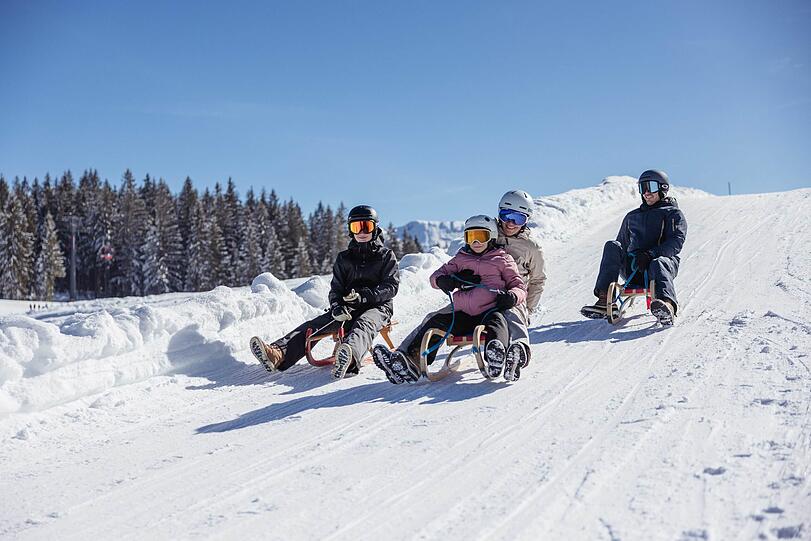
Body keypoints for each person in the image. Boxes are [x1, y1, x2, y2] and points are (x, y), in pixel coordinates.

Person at [372, 215, 527, 384]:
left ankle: (496, 355)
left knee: (499, 322)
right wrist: (447, 280)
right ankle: (410, 359)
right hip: (462, 315)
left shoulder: (502, 259)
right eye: (471, 237)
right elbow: (435, 277)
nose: (475, 242)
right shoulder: (460, 259)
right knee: (436, 321)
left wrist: (512, 297)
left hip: (489, 310)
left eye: (480, 236)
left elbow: (518, 286)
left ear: (491, 236)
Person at [250, 205, 399, 379]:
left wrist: (365, 297)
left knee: (364, 324)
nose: (362, 232)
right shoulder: (344, 258)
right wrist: (336, 306)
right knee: (318, 324)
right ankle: (278, 353)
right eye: (357, 227)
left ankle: (349, 356)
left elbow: (391, 286)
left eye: (367, 226)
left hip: (378, 307)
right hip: (349, 306)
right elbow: (336, 288)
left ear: (375, 228)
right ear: (351, 231)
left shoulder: (386, 256)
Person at [580, 170, 687, 325]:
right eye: (642, 188)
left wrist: (651, 254)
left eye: (650, 187)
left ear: (663, 188)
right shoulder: (632, 216)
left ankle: (667, 305)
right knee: (612, 246)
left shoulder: (673, 214)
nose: (646, 192)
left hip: (660, 267)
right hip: (634, 268)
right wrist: (634, 258)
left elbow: (676, 242)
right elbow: (620, 245)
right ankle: (604, 300)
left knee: (659, 262)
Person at [495, 190, 546, 379]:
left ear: (526, 220)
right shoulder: (488, 235)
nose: (510, 223)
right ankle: (413, 355)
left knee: (513, 314)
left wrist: (528, 309)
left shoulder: (531, 247)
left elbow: (538, 279)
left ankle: (518, 351)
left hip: (514, 297)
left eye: (517, 219)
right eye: (506, 216)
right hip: (484, 294)